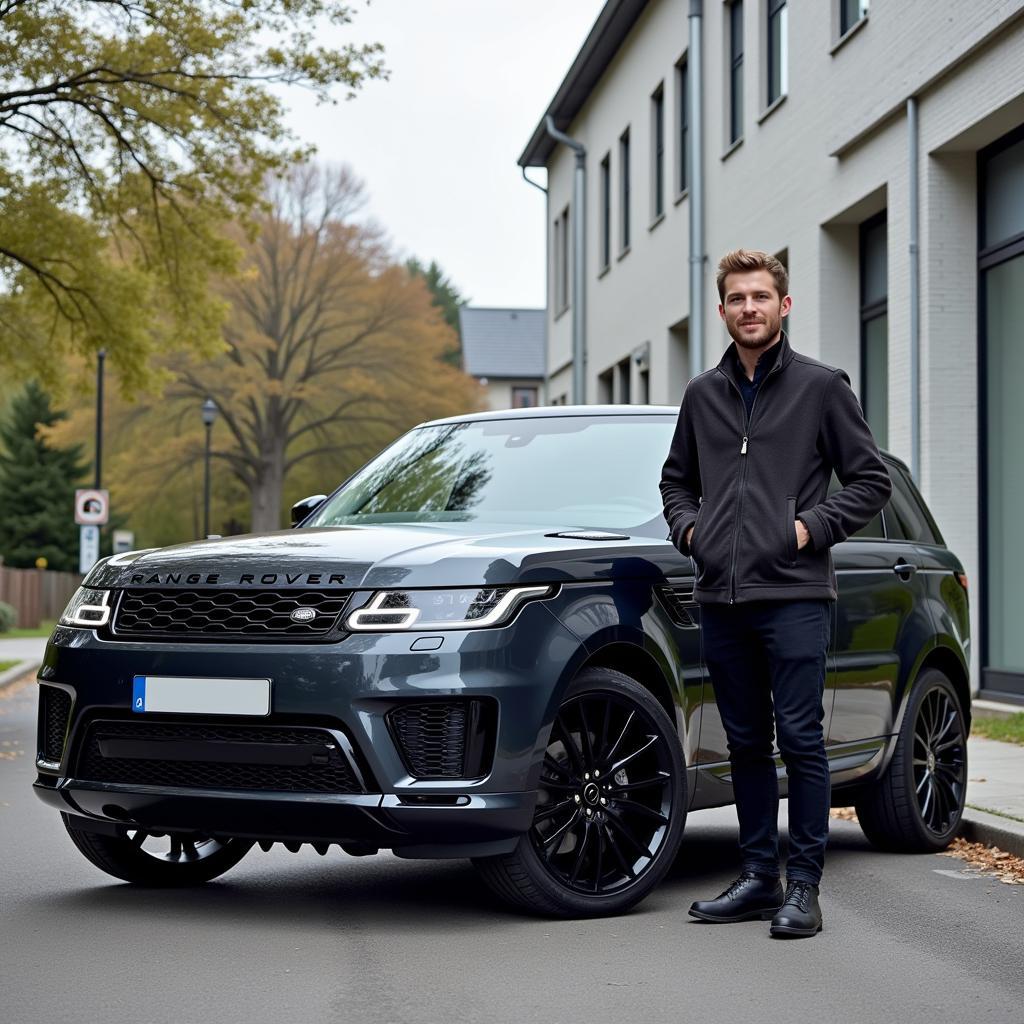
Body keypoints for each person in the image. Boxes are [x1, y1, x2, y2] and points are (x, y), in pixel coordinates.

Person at [659, 249, 891, 938]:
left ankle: (805, 889)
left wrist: (804, 530)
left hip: (793, 594)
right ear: (723, 310)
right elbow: (676, 482)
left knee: (801, 739)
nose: (750, 307)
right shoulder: (703, 394)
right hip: (721, 597)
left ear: (783, 306)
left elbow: (869, 481)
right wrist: (691, 531)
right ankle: (760, 877)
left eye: (761, 296)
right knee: (744, 743)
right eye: (738, 298)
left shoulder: (822, 388)